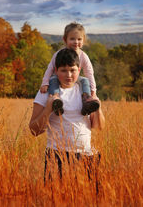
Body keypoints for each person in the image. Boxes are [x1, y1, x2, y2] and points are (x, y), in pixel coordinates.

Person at [29, 48, 105, 182]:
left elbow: (98, 126)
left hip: (87, 155)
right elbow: (34, 130)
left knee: (91, 200)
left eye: (72, 70)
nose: (68, 75)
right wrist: (48, 109)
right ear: (56, 70)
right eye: (63, 70)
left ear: (79, 70)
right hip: (56, 156)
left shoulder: (85, 93)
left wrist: (98, 108)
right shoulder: (45, 93)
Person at [40, 22, 100, 116]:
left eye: (79, 39)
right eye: (72, 39)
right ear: (65, 39)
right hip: (59, 77)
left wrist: (93, 91)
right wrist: (45, 83)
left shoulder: (83, 56)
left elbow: (89, 73)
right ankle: (56, 100)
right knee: (53, 80)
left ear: (83, 40)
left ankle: (86, 101)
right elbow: (50, 69)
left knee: (85, 80)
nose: (76, 42)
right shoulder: (59, 54)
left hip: (75, 78)